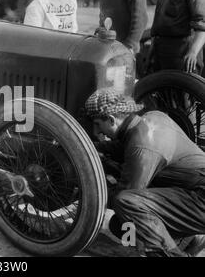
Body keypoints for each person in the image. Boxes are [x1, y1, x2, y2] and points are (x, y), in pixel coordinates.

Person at [84, 88, 205, 257]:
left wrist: (90, 188)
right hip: (192, 188)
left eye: (97, 124)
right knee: (121, 224)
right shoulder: (151, 118)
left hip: (200, 199)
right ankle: (189, 239)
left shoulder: (143, 147)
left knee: (125, 206)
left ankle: (169, 253)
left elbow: (126, 193)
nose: (96, 132)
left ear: (111, 119)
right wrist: (91, 148)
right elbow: (124, 148)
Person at [151, 0, 205, 74]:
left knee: (182, 92)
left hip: (182, 60)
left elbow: (202, 24)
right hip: (163, 57)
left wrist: (193, 52)